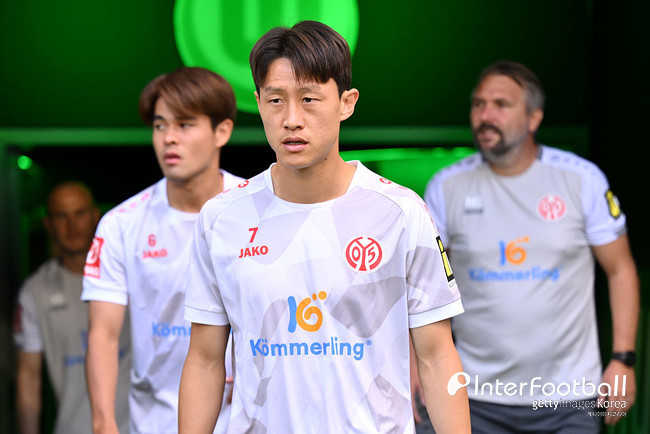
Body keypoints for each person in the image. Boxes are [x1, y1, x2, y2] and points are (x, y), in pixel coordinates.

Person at [178, 20, 470, 433]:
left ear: (346, 103)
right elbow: (205, 360)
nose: (291, 119)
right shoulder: (221, 217)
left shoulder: (401, 211)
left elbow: (437, 355)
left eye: (309, 99)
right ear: (258, 103)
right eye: (275, 100)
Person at [424, 60, 640, 433]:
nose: (485, 116)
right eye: (478, 104)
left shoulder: (581, 179)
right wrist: (417, 365)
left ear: (534, 117)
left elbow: (620, 269)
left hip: (569, 398)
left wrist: (623, 360)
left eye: (501, 105)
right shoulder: (445, 186)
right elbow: (426, 287)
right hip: (471, 395)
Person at [81, 67, 245, 434]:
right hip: (155, 423)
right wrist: (104, 423)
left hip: (245, 422)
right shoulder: (121, 223)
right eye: (159, 125)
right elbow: (103, 334)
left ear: (222, 131)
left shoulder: (260, 210)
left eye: (184, 124)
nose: (169, 138)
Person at [13, 181, 131, 434]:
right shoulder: (36, 291)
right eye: (61, 216)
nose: (72, 225)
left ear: (96, 216)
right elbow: (29, 378)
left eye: (80, 213)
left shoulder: (133, 276)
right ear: (49, 224)